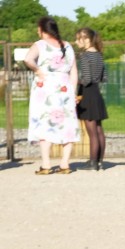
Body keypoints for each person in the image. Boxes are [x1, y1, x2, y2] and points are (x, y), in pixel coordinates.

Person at [23, 16, 79, 175]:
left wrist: (38, 71)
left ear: (42, 29)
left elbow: (28, 59)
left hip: (45, 88)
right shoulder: (67, 46)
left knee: (45, 123)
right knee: (67, 125)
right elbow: (74, 71)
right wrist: (72, 91)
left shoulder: (39, 45)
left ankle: (46, 165)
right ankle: (64, 164)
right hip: (64, 87)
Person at [74, 27, 108, 171]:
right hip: (97, 94)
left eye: (78, 39)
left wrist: (74, 80)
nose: (76, 42)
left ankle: (93, 163)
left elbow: (86, 79)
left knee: (92, 132)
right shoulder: (99, 55)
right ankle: (99, 162)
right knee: (99, 130)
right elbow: (103, 77)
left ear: (86, 39)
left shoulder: (85, 56)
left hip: (87, 95)